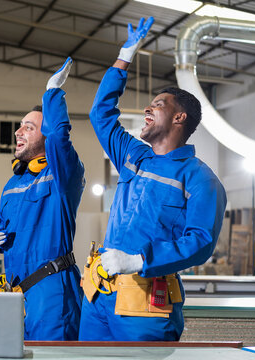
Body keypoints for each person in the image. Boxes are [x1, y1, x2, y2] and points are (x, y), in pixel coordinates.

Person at [79, 17, 227, 341]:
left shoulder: (201, 180)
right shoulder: (133, 154)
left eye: (158, 104)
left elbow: (200, 241)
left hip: (144, 304)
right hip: (97, 295)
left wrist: (138, 259)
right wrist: (125, 56)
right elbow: (101, 115)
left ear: (179, 117)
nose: (148, 107)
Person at [0, 58, 85, 340]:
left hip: (52, 294)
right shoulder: (12, 184)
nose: (18, 132)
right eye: (20, 126)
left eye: (29, 127)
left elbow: (59, 138)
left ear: (46, 133)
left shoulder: (62, 175)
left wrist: (52, 92)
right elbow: (7, 235)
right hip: (16, 295)